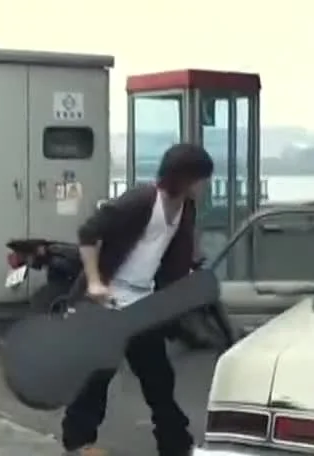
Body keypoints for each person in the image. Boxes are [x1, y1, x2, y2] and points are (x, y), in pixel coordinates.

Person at [62, 143, 214, 456]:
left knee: (159, 378)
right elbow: (88, 233)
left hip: (143, 303)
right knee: (97, 377)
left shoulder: (186, 207)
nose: (205, 185)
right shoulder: (141, 201)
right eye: (202, 178)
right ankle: (78, 443)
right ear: (185, 177)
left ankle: (176, 445)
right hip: (109, 302)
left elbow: (177, 250)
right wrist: (94, 281)